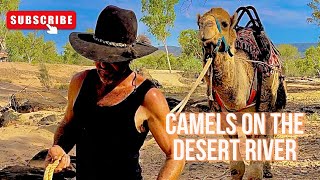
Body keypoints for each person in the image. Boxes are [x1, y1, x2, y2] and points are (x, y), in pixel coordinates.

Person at [45, 5, 185, 180]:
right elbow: (69, 124)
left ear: (128, 58)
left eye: (111, 58)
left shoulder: (148, 97)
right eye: (98, 56)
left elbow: (176, 154)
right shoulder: (80, 82)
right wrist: (59, 147)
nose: (102, 65)